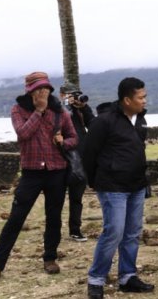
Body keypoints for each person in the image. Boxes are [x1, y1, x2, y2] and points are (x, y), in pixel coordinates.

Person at [0, 72, 78, 285]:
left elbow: (74, 138)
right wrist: (38, 112)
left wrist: (63, 141)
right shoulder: (18, 110)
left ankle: (50, 258)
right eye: (38, 89)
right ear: (29, 91)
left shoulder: (59, 112)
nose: (42, 92)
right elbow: (23, 134)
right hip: (31, 173)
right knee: (16, 218)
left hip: (56, 171)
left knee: (53, 217)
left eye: (45, 88)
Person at [83, 77, 154, 298]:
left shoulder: (140, 119)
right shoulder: (104, 121)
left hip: (137, 186)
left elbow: (137, 150)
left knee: (132, 233)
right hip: (113, 186)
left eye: (145, 96)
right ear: (126, 99)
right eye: (141, 97)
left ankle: (127, 277)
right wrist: (94, 181)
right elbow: (88, 153)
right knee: (113, 232)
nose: (145, 100)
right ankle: (96, 279)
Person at [59, 83, 95, 242]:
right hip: (61, 158)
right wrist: (65, 106)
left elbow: (93, 126)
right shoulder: (56, 110)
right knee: (56, 199)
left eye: (77, 95)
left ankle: (75, 230)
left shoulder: (80, 111)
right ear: (62, 95)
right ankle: (53, 231)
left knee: (76, 198)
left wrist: (84, 107)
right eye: (71, 95)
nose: (75, 98)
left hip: (80, 159)